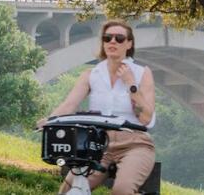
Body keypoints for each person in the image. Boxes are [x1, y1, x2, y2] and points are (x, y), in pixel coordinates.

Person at [38, 20, 156, 195]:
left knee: (122, 191)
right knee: (69, 189)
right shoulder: (91, 75)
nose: (112, 42)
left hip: (135, 144)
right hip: (97, 145)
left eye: (119, 38)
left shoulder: (141, 73)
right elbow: (69, 104)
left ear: (129, 43)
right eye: (107, 38)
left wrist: (131, 83)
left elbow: (146, 118)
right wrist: (50, 121)